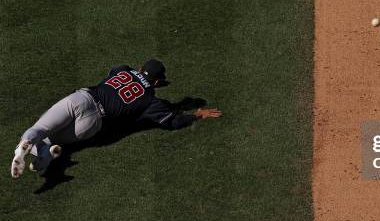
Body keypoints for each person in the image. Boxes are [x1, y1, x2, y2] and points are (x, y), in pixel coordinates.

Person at [11, 59, 222, 178]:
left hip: (82, 99)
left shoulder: (123, 70)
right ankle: (45, 157)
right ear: (157, 83)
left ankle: (26, 148)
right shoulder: (151, 100)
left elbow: (116, 73)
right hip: (93, 123)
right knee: (53, 140)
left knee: (40, 129)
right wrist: (196, 115)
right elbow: (172, 121)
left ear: (140, 69)